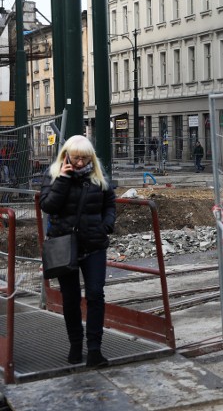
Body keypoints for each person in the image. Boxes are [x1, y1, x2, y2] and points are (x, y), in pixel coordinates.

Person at [39, 135, 116, 368]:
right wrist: (63, 179)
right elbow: (48, 205)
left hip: (94, 245)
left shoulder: (98, 177)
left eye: (84, 158)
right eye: (76, 158)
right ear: (66, 156)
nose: (81, 163)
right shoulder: (53, 176)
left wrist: (106, 226)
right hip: (64, 245)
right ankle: (75, 346)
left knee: (95, 295)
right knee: (71, 300)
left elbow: (110, 203)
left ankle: (94, 350)